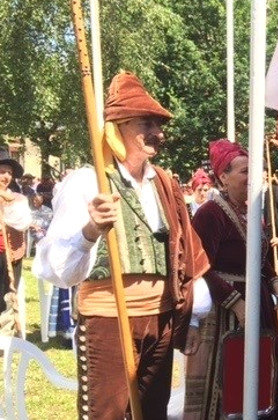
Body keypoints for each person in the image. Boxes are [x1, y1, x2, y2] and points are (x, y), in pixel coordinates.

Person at [33, 72, 211, 418]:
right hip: (108, 320)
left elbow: (186, 254)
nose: (158, 134)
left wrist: (190, 320)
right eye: (147, 123)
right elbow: (56, 268)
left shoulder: (165, 184)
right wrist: (90, 229)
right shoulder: (90, 181)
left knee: (153, 412)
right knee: (107, 413)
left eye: (159, 125)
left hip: (160, 320)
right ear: (119, 127)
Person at [183, 139, 278, 419]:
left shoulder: (252, 213)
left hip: (259, 303)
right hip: (226, 311)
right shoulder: (210, 214)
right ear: (223, 177)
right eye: (244, 172)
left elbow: (259, 254)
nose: (252, 178)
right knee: (229, 382)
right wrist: (236, 303)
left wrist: (272, 277)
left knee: (261, 378)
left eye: (255, 171)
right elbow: (199, 264)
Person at [0, 149, 32, 337]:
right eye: (2, 171)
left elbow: (23, 222)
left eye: (9, 173)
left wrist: (7, 202)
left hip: (11, 256)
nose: (6, 177)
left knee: (7, 296)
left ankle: (4, 335)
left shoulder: (18, 199)